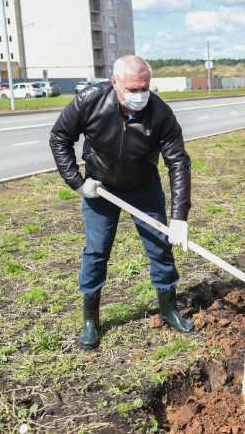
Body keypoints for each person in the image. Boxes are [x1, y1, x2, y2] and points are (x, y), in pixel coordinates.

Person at [49, 55, 194, 350]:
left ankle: (168, 309)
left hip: (144, 189)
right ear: (114, 82)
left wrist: (179, 217)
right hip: (101, 189)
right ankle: (91, 320)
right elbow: (59, 137)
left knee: (160, 249)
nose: (140, 95)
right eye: (133, 89)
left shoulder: (160, 113)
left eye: (145, 88)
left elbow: (178, 163)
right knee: (96, 252)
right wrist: (78, 183)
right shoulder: (90, 101)